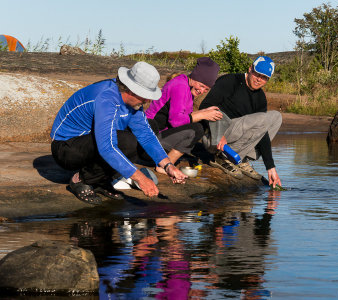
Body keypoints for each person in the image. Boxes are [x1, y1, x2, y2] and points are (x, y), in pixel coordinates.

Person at [50, 61, 187, 204]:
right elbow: (107, 147)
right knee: (126, 142)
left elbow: (145, 135)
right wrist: (140, 178)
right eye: (145, 95)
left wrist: (168, 165)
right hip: (65, 148)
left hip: (90, 143)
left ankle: (101, 181)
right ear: (132, 90)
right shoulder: (106, 98)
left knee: (146, 130)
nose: (147, 100)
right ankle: (81, 179)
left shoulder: (133, 102)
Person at [199, 56, 282, 187]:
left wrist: (270, 167)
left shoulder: (260, 98)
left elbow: (262, 132)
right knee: (262, 118)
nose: (259, 79)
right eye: (257, 74)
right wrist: (219, 133)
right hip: (214, 137)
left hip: (234, 140)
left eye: (264, 77)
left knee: (276, 117)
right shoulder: (229, 81)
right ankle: (221, 157)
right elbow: (204, 107)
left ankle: (241, 159)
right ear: (250, 69)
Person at [145, 57, 222, 174]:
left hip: (159, 135)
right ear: (195, 77)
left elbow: (183, 116)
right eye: (201, 86)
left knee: (200, 124)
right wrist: (202, 114)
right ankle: (165, 166)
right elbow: (175, 121)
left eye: (206, 89)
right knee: (197, 129)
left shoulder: (187, 86)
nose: (202, 91)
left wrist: (204, 112)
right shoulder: (180, 86)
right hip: (150, 137)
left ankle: (166, 161)